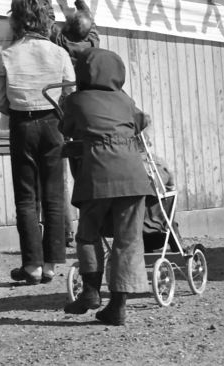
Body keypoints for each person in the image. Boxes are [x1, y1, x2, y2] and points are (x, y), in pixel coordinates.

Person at [0, 0, 75, 285]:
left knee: (26, 197)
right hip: (53, 123)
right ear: (44, 20)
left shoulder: (8, 55)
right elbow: (70, 90)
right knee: (54, 193)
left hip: (22, 125)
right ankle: (53, 263)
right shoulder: (59, 53)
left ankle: (32, 265)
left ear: (16, 20)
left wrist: (17, 109)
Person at [60, 48, 154, 326]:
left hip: (97, 175)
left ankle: (90, 291)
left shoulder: (76, 100)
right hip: (133, 177)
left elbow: (67, 129)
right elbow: (141, 121)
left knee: (88, 235)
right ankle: (117, 306)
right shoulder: (125, 100)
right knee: (128, 241)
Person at [35, 0, 100, 247]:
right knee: (87, 173)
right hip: (89, 114)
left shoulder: (57, 41)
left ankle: (65, 232)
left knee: (61, 173)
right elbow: (90, 22)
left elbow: (46, 14)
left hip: (64, 110)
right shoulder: (93, 45)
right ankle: (90, 224)